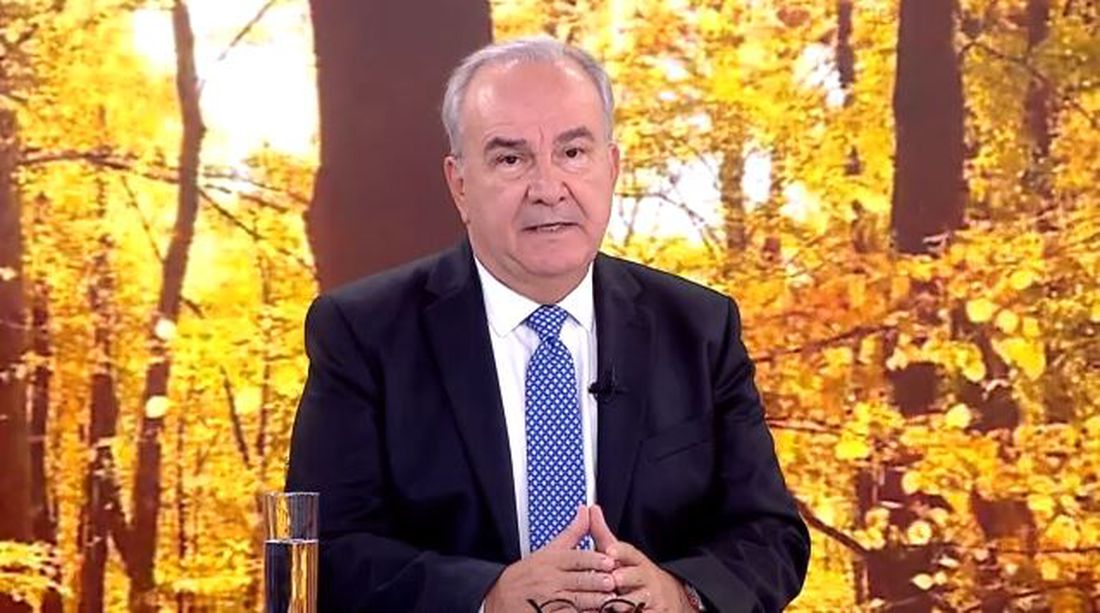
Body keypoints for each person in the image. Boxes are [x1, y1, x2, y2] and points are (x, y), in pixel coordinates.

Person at [286, 37, 810, 612]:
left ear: (612, 167)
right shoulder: (362, 333)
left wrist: (680, 596)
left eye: (573, 152)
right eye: (511, 160)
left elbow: (769, 534)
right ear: (460, 184)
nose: (548, 189)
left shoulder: (700, 328)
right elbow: (328, 549)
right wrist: (486, 598)